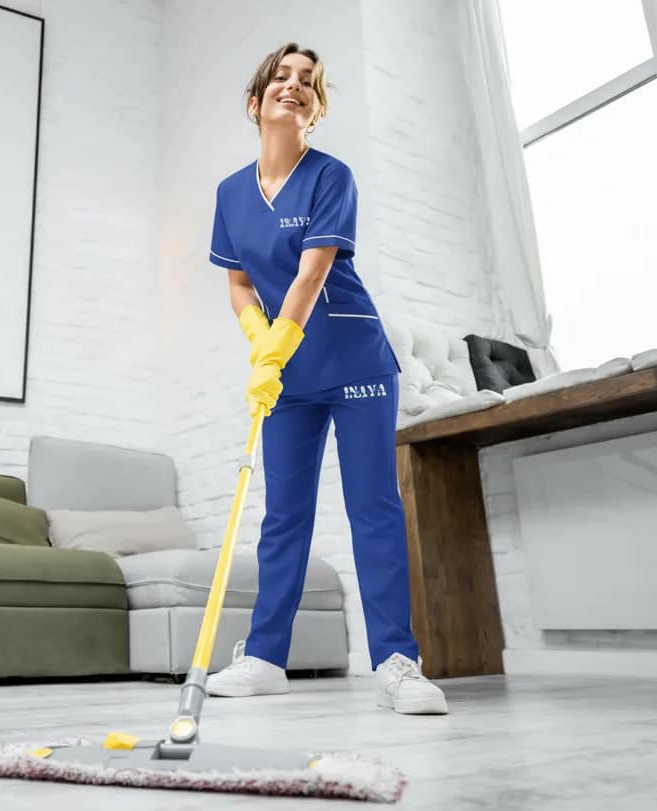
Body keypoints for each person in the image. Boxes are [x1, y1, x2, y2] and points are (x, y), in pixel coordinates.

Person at [203, 42, 449, 715]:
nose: (295, 85)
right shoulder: (231, 193)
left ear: (315, 109)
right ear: (255, 103)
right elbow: (239, 282)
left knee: (373, 507)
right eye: (281, 77)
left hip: (353, 360)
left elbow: (312, 272)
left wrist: (277, 343)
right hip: (288, 373)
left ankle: (396, 661)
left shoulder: (331, 176)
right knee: (283, 515)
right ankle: (264, 657)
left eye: (307, 81)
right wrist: (259, 341)